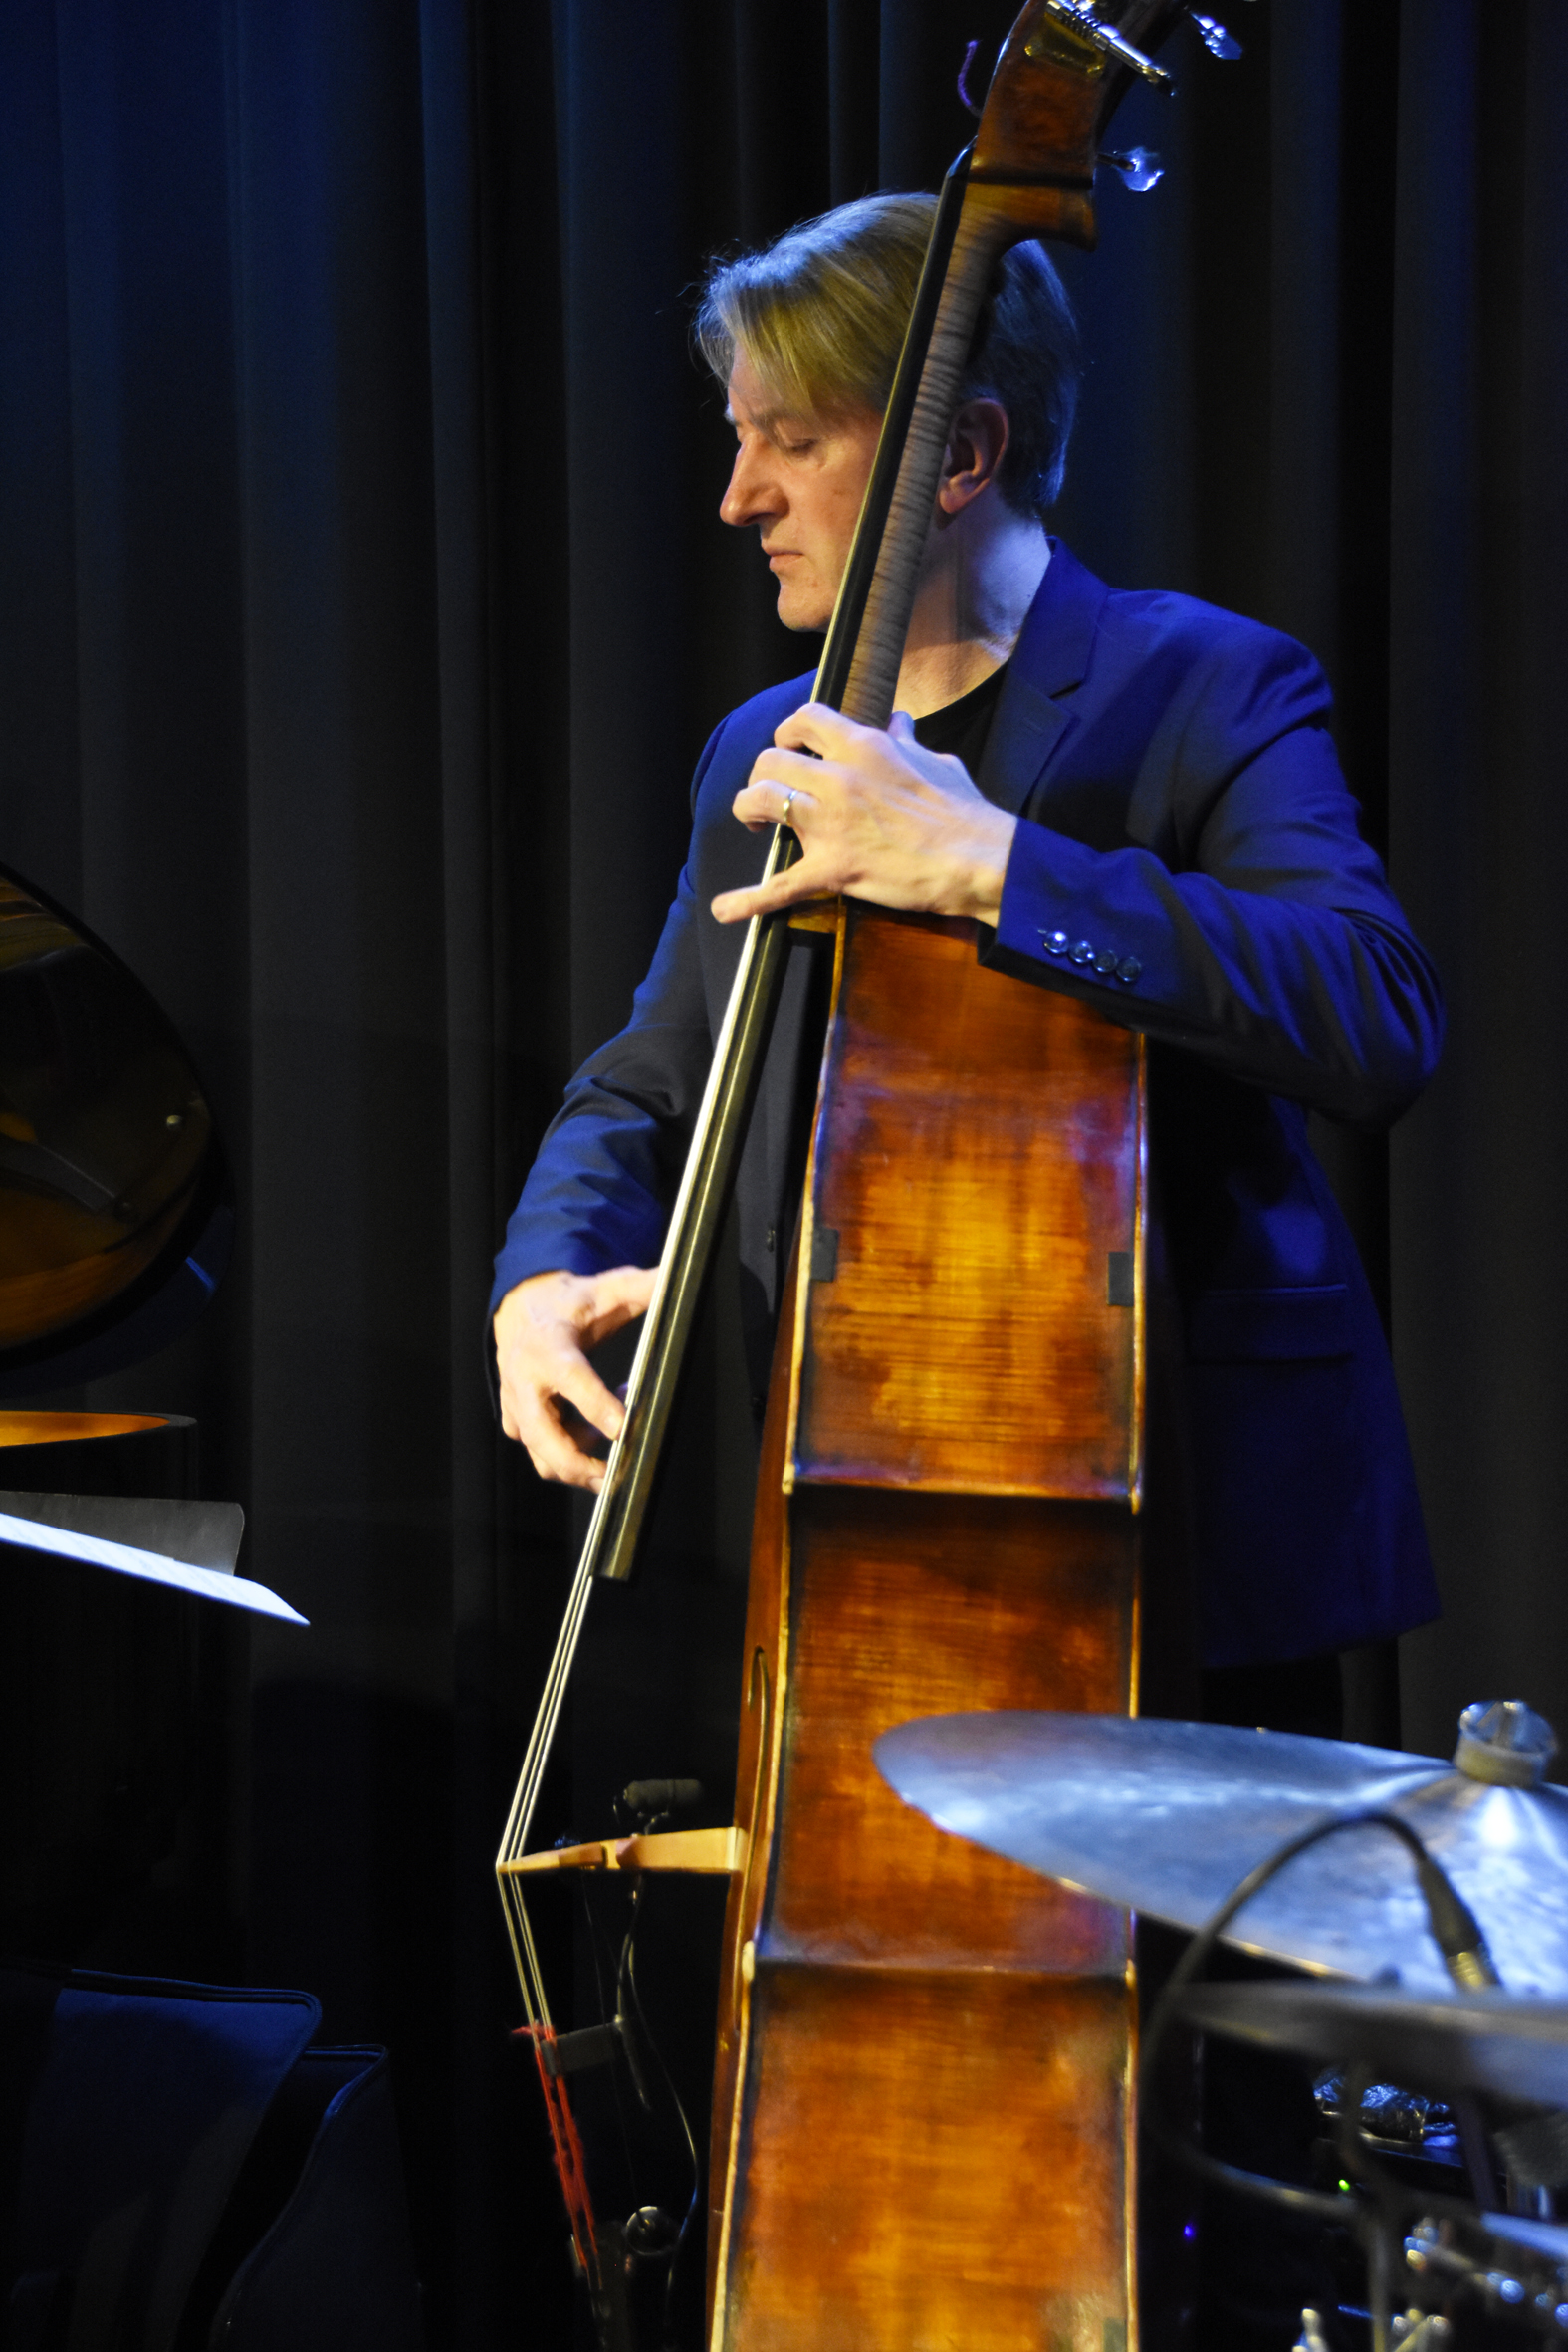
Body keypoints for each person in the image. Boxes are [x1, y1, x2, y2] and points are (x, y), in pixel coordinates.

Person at [490, 190, 1442, 1698]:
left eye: (792, 440)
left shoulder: (1209, 685)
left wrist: (996, 865)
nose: (738, 498)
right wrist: (543, 1272)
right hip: (865, 1498)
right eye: (739, 439)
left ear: (963, 455)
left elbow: (1374, 1015)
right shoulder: (768, 744)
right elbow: (653, 1072)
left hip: (1185, 1523)